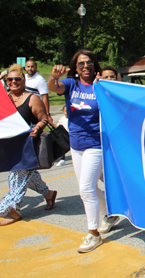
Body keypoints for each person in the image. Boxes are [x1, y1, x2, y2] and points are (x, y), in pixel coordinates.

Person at [48, 50, 118, 253]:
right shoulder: (71, 84)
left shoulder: (101, 86)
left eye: (89, 63)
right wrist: (54, 77)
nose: (85, 66)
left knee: (86, 190)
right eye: (81, 64)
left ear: (95, 66)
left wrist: (102, 85)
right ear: (75, 68)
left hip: (95, 144)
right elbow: (55, 87)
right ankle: (111, 213)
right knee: (88, 188)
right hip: (75, 145)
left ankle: (93, 234)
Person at [1, 65, 57, 226]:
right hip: (10, 145)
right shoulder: (5, 98)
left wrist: (38, 128)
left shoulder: (32, 98)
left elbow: (44, 118)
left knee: (16, 178)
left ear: (23, 80)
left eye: (17, 79)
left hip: (27, 145)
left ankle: (9, 210)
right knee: (29, 176)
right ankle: (49, 194)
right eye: (10, 80)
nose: (13, 82)